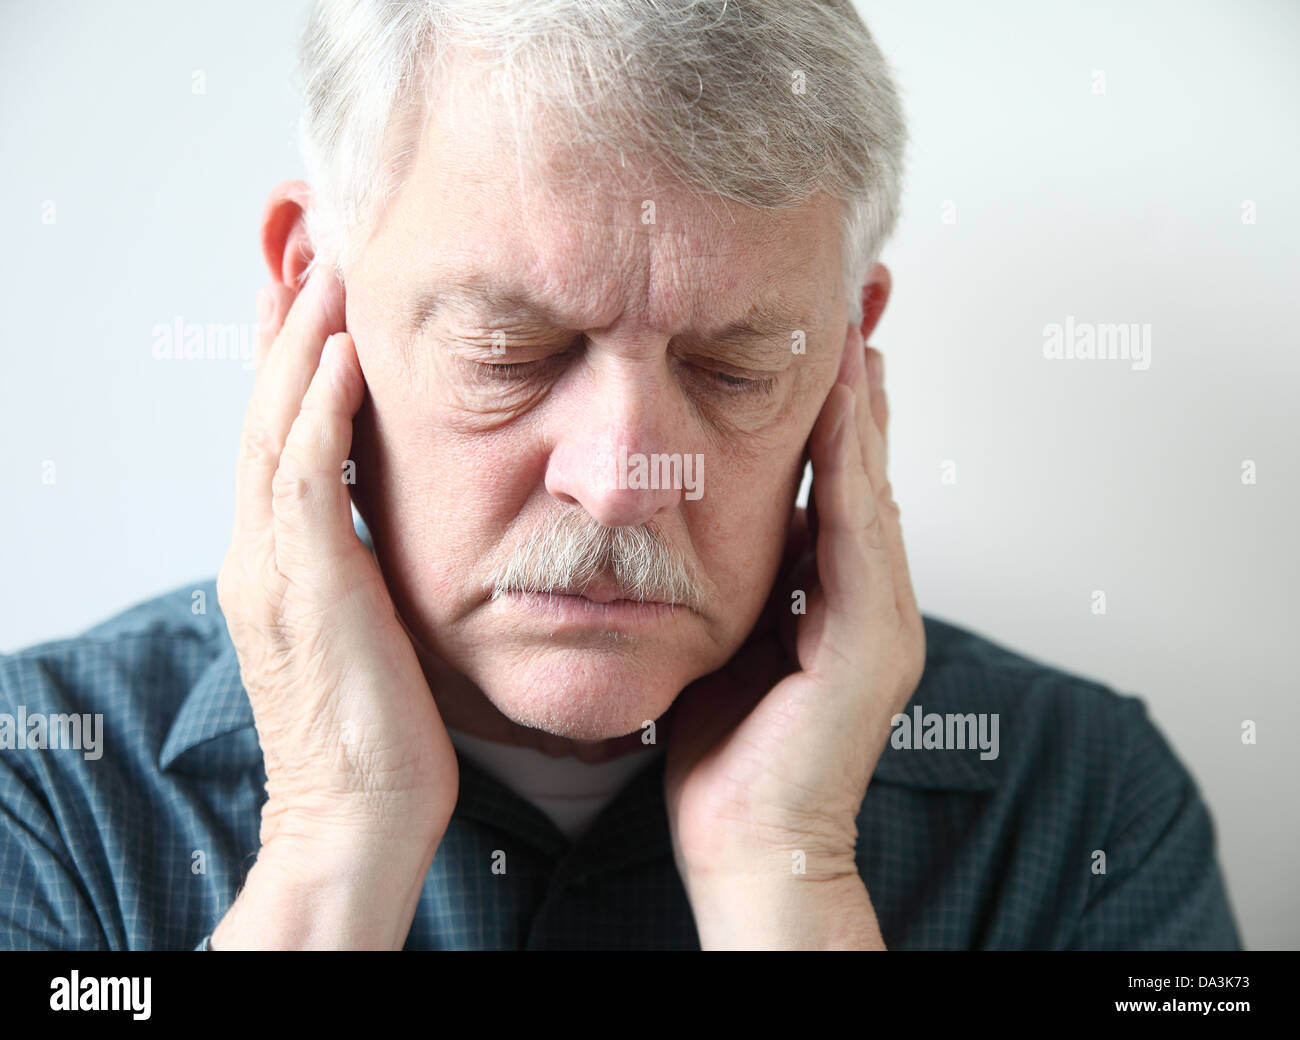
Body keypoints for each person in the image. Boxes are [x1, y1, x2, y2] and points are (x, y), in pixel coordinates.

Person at [0, 0, 1239, 950]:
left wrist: (789, 871)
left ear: (849, 355)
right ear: (305, 295)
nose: (618, 478)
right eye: (512, 349)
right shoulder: (41, 790)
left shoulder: (1086, 801)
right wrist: (333, 849)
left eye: (734, 364)